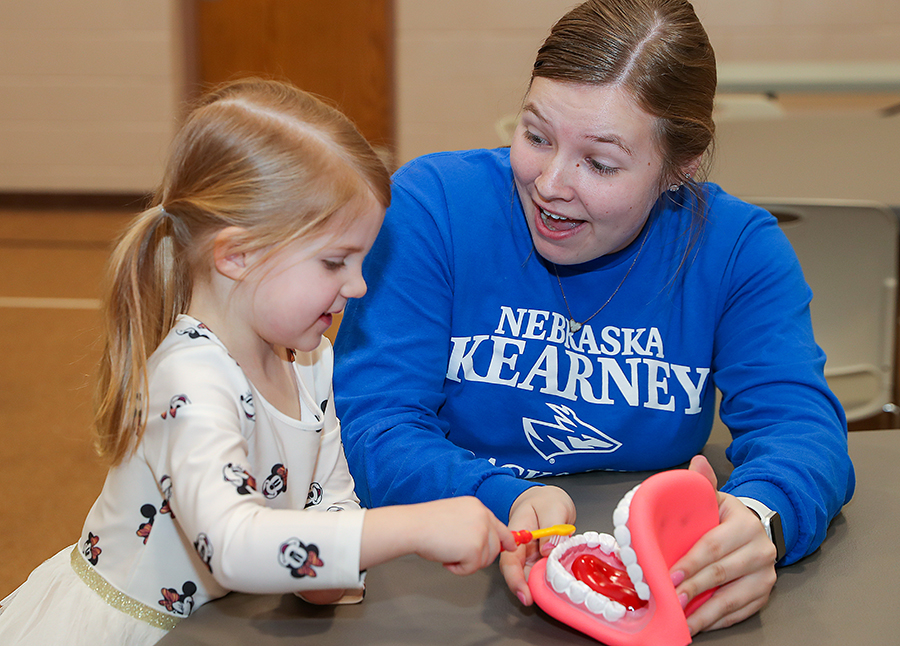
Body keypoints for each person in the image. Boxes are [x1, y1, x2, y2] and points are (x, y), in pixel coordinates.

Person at [333, 0, 855, 636]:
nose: (552, 182)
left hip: (645, 583)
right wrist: (506, 499)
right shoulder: (434, 208)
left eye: (600, 163)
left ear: (679, 168)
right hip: (434, 579)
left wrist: (760, 517)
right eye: (535, 136)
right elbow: (375, 426)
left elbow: (802, 426)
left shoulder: (737, 248)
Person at [0, 78, 515, 646]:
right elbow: (231, 545)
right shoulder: (188, 378)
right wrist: (414, 526)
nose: (359, 286)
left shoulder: (310, 359)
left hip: (217, 627)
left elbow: (330, 494)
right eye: (334, 262)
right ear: (237, 255)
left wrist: (330, 569)